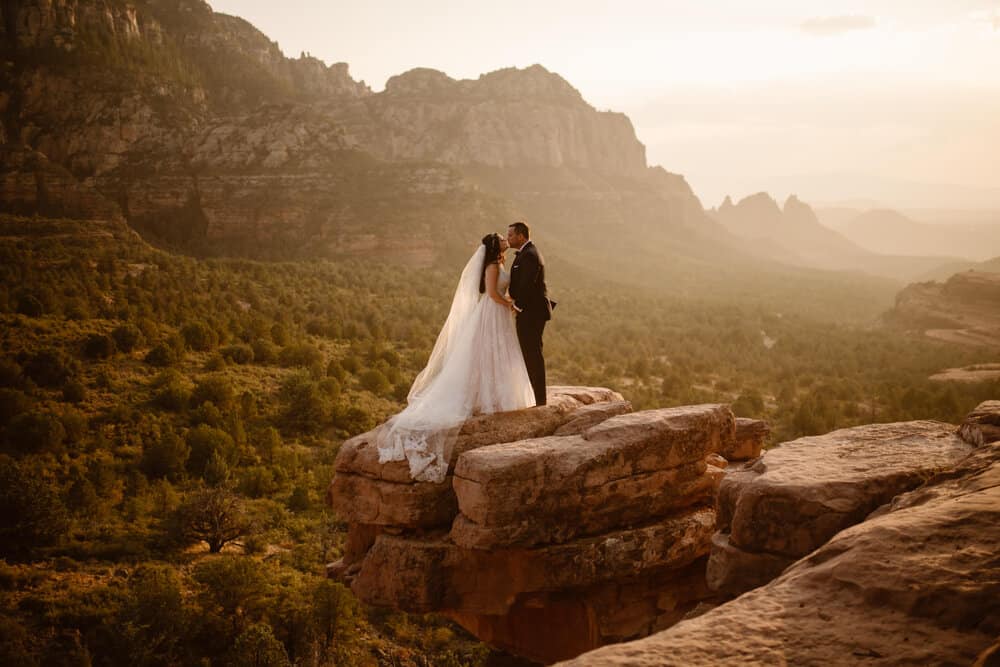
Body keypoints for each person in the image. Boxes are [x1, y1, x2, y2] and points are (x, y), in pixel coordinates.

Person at [376, 233, 535, 482]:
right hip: (492, 313)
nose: (506, 239)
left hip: (497, 314)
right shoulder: (493, 266)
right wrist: (510, 306)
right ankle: (486, 396)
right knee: (489, 353)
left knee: (497, 354)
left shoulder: (499, 263)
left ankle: (492, 393)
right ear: (496, 246)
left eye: (507, 237)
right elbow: (492, 294)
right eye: (502, 239)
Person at [506, 221, 552, 407]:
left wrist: (517, 306)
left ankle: (540, 400)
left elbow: (527, 285)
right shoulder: (527, 253)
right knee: (530, 353)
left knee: (532, 354)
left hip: (531, 313)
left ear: (521, 236)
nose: (508, 238)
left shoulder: (530, 255)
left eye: (510, 235)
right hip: (530, 311)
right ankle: (536, 397)